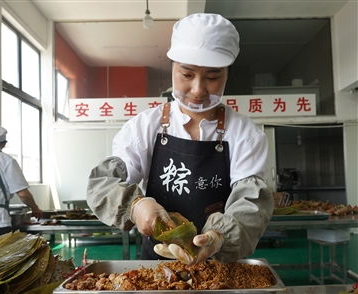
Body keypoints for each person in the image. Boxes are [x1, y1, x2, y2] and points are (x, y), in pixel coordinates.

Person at [86, 13, 274, 264]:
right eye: (187, 74)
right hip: (156, 262)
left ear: (227, 73)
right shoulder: (144, 127)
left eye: (212, 77)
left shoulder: (245, 134)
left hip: (218, 262)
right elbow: (104, 184)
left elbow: (252, 203)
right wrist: (136, 206)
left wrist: (219, 237)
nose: (198, 89)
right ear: (172, 67)